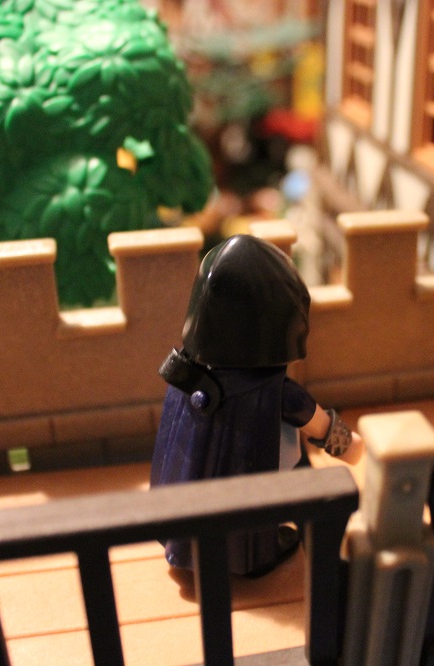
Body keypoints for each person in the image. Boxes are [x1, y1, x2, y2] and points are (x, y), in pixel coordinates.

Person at [150, 234, 355, 577]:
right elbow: (316, 422)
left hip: (187, 496)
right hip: (248, 489)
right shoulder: (272, 391)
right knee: (281, 494)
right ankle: (255, 554)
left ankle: (183, 547)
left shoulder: (185, 374)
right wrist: (348, 444)